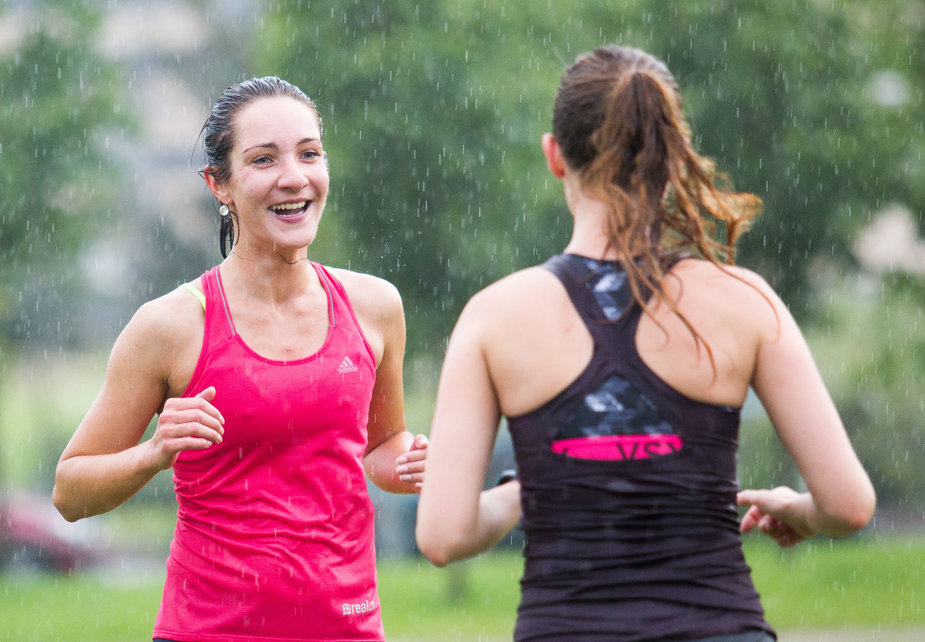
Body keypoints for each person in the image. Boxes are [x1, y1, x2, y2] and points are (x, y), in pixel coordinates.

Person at [414, 45, 876, 641]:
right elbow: (849, 506)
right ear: (672, 156)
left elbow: (443, 536)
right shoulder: (744, 300)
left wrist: (521, 495)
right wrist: (798, 508)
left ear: (554, 156)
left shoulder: (495, 316)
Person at [53, 76, 428, 642]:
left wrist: (416, 464)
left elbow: (381, 447)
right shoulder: (170, 326)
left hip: (348, 631)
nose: (293, 177)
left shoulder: (376, 307)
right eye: (263, 160)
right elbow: (69, 492)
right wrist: (155, 453)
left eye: (309, 153)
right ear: (218, 184)